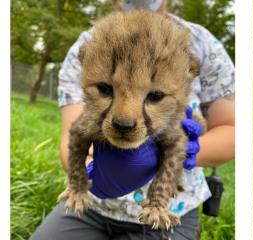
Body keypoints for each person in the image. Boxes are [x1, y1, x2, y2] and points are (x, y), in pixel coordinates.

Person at [31, 0, 235, 239]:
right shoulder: (87, 46)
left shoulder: (201, 44)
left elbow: (231, 129)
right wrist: (91, 176)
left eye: (155, 95)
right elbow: (73, 134)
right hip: (93, 206)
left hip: (173, 208)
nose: (125, 118)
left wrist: (187, 151)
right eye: (106, 89)